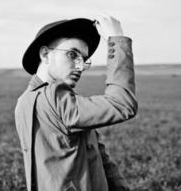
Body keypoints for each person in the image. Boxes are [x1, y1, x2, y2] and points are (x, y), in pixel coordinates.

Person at [15, 14, 138, 191]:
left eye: (84, 60)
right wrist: (118, 40)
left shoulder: (24, 101)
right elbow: (121, 103)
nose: (80, 67)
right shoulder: (55, 97)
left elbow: (96, 154)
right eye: (72, 55)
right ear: (45, 54)